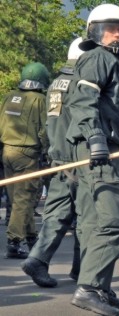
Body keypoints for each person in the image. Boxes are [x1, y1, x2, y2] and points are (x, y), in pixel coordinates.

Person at [66, 4, 119, 315]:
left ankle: (99, 287)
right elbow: (83, 101)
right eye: (110, 27)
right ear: (95, 29)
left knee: (96, 223)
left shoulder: (110, 60)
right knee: (117, 222)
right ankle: (90, 287)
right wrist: (96, 139)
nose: (118, 32)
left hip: (105, 146)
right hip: (100, 148)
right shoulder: (98, 57)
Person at [20, 38, 85, 288]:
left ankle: (38, 258)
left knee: (57, 214)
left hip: (58, 156)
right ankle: (82, 268)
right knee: (87, 214)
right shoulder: (82, 83)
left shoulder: (55, 84)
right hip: (78, 156)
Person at [0, 62, 50, 259]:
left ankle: (30, 237)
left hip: (7, 152)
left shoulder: (8, 97)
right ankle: (14, 241)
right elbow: (45, 130)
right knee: (24, 198)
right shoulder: (39, 100)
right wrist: (47, 152)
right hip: (27, 154)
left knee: (17, 197)